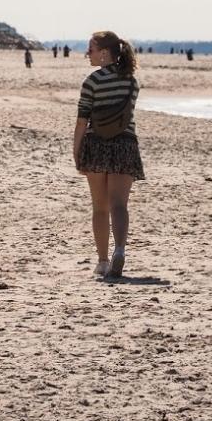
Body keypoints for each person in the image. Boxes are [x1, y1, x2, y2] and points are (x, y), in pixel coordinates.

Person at [73, 30, 144, 279]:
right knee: (119, 205)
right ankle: (121, 250)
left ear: (104, 53)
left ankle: (102, 261)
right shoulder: (131, 82)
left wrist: (77, 153)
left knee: (100, 207)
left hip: (97, 145)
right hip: (125, 144)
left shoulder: (92, 82)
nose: (87, 54)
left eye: (90, 49)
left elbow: (82, 121)